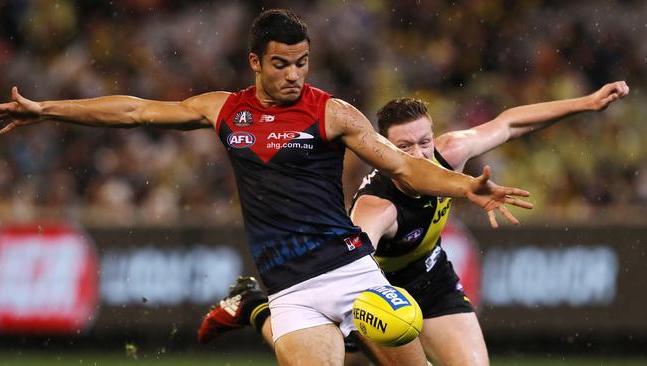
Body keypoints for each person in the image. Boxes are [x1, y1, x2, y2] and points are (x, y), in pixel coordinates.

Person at [0, 9, 533, 366]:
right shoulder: (224, 109)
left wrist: (465, 188)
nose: (294, 75)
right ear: (255, 62)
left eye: (301, 63)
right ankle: (259, 306)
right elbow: (135, 111)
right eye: (281, 64)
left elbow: (405, 169)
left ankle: (252, 306)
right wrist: (47, 110)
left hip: (350, 271)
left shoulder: (331, 112)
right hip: (291, 289)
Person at [197, 81, 629, 365]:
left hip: (432, 280)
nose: (422, 154)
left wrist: (586, 104)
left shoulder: (450, 153)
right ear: (383, 150)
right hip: (371, 294)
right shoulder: (374, 210)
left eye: (425, 140)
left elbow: (510, 123)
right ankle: (253, 304)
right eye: (406, 147)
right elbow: (331, 268)